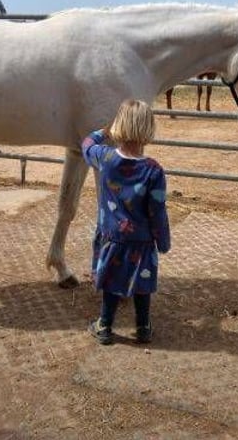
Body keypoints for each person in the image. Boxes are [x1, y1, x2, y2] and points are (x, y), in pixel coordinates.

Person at [81, 99, 171, 345]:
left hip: (112, 238)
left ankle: (104, 325)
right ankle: (143, 327)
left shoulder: (105, 158)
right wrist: (162, 241)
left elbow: (86, 144)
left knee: (111, 282)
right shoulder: (154, 171)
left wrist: (103, 131)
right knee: (143, 283)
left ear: (118, 126)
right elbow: (158, 212)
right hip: (142, 241)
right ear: (148, 128)